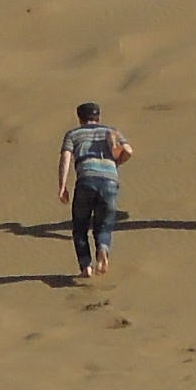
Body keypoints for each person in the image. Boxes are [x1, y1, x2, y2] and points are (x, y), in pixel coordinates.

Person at [57, 100, 133, 280]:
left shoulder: (73, 134)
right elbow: (129, 150)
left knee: (80, 226)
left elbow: (65, 159)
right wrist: (117, 163)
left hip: (86, 181)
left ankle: (86, 267)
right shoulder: (111, 132)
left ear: (80, 118)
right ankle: (103, 250)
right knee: (104, 225)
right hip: (110, 182)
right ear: (98, 117)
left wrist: (62, 186)